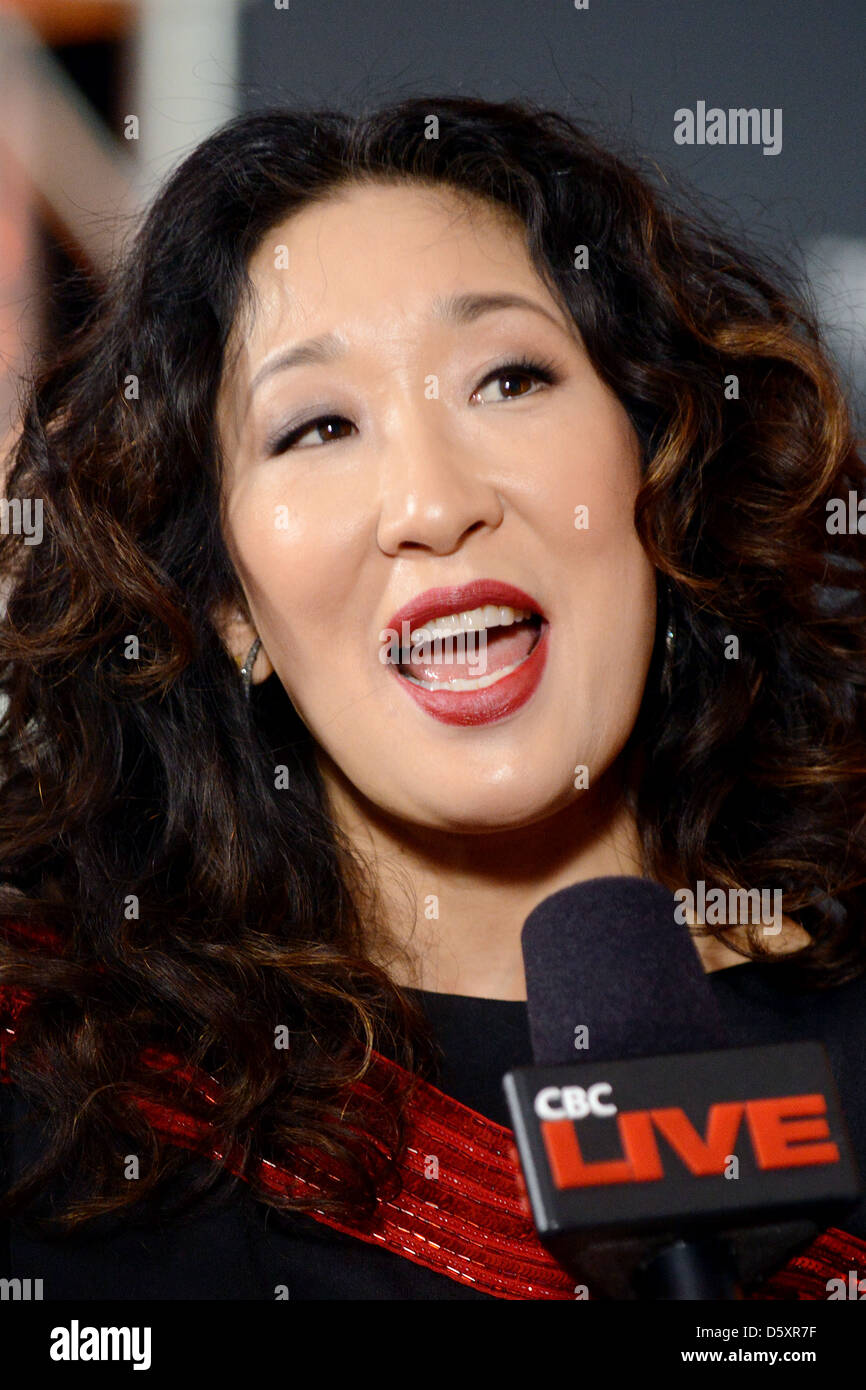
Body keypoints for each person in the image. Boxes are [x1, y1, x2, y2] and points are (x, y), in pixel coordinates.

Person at [1, 94, 865, 1301]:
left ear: (659, 463)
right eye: (316, 426)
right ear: (229, 606)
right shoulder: (75, 1126)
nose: (431, 500)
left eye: (506, 378)